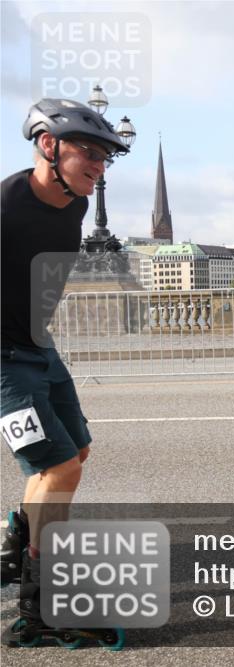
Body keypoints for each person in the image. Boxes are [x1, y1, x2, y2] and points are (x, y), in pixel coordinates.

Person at [1, 98, 130, 644]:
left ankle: (19, 543)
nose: (99, 166)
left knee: (73, 453)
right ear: (48, 146)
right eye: (89, 152)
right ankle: (42, 609)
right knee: (59, 471)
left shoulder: (72, 205)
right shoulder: (6, 207)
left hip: (38, 348)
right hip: (4, 362)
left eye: (105, 156)